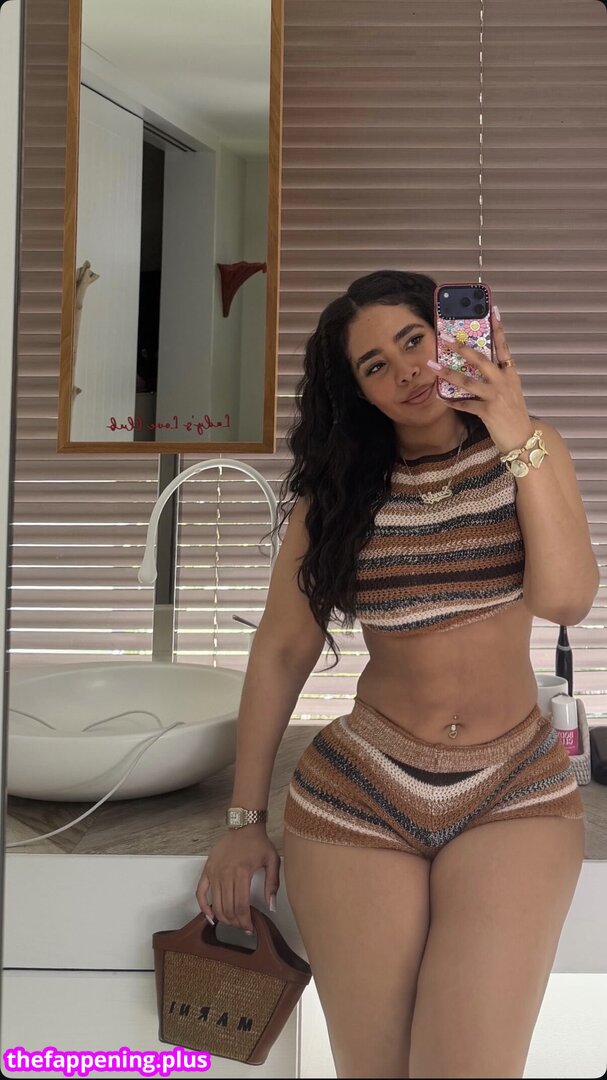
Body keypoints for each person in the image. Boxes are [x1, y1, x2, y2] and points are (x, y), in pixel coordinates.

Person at [196, 270, 598, 1078]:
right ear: (358, 391)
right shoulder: (336, 497)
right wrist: (243, 821)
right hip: (358, 791)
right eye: (374, 364)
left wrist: (511, 425)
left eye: (414, 340)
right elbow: (281, 650)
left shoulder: (530, 450)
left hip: (511, 789)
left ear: (449, 337)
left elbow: (564, 600)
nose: (406, 370)